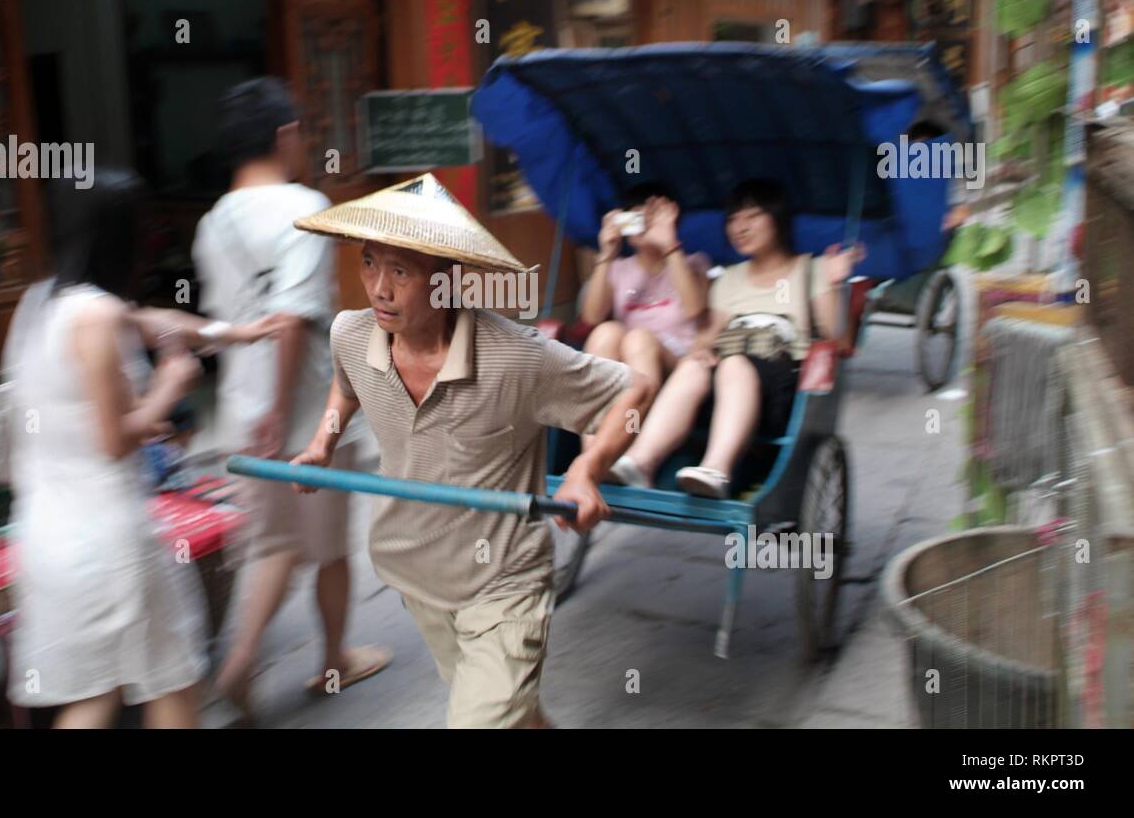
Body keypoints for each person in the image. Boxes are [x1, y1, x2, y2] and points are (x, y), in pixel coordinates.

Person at [287, 173, 650, 728]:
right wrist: (322, 442)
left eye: (401, 271)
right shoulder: (351, 334)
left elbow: (633, 390)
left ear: (447, 281)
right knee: (513, 713)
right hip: (413, 568)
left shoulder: (517, 357)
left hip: (504, 584)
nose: (379, 288)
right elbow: (346, 384)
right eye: (369, 263)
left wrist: (585, 468)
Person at [4, 168, 277, 729]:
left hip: (44, 538)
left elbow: (155, 321)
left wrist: (235, 332)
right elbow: (114, 439)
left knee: (96, 693)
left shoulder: (43, 305)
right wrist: (171, 386)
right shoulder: (99, 315)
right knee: (174, 679)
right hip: (108, 540)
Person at [192, 77, 390, 716]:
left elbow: (227, 322)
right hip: (308, 413)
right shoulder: (304, 207)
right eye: (300, 131)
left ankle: (241, 661)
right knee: (330, 547)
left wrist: (259, 413)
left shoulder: (211, 222)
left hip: (242, 413)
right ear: (284, 136)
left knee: (273, 543)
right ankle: (332, 659)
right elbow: (291, 318)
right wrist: (283, 414)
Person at [612, 178, 864, 497]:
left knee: (733, 365)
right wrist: (700, 351)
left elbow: (839, 344)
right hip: (726, 381)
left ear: (778, 219)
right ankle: (640, 463)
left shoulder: (812, 269)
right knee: (693, 366)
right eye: (733, 219)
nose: (739, 228)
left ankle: (717, 469)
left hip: (779, 386)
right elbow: (706, 337)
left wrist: (837, 284)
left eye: (752, 216)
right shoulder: (729, 279)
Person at [581, 184, 710, 451]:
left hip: (675, 360)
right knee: (605, 333)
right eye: (633, 216)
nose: (640, 224)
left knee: (638, 338)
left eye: (649, 216)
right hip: (627, 360)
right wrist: (607, 253)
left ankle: (628, 443)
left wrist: (669, 245)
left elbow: (695, 310)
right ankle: (591, 452)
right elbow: (592, 317)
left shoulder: (694, 263)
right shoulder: (618, 268)